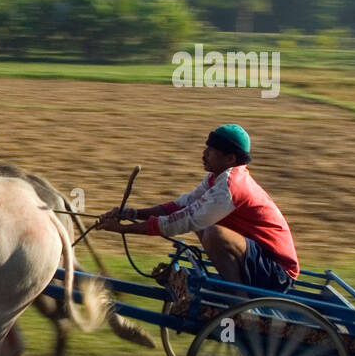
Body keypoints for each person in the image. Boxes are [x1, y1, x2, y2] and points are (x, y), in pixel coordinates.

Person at [97, 124, 298, 291]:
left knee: (212, 231)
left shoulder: (230, 187)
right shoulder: (217, 178)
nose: (204, 154)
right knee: (203, 224)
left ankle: (239, 301)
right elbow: (182, 205)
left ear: (230, 158)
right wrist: (132, 213)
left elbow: (183, 221)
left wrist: (123, 229)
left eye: (211, 151)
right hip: (260, 261)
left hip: (277, 274)